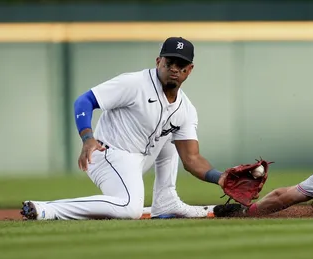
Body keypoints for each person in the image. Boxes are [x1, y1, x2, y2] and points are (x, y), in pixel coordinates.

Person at [21, 37, 228, 220]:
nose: (174, 68)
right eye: (169, 62)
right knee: (129, 208)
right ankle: (48, 209)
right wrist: (87, 137)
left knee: (173, 132)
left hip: (140, 157)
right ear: (158, 62)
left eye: (181, 64)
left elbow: (191, 159)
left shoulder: (185, 108)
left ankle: (166, 200)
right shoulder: (135, 83)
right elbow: (83, 101)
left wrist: (220, 178)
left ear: (189, 70)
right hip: (108, 154)